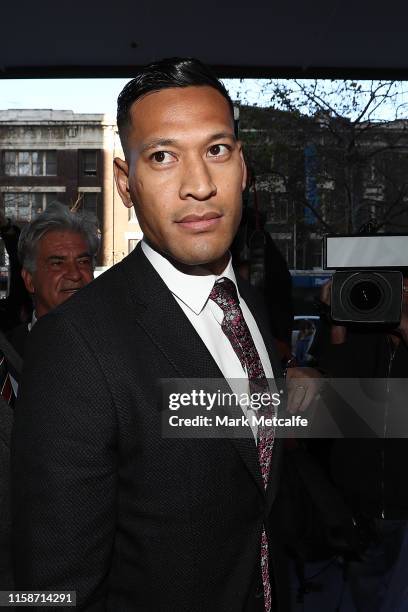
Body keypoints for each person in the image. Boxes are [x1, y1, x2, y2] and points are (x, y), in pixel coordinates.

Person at [11, 57, 302, 611]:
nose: (198, 186)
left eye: (216, 150)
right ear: (126, 182)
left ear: (242, 167)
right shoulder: (73, 346)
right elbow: (49, 585)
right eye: (163, 156)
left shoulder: (249, 309)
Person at [310, 277, 408, 612]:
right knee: (365, 600)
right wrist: (338, 317)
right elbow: (337, 401)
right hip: (361, 511)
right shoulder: (365, 338)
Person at [8, 202, 98, 362]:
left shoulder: (122, 345)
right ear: (29, 280)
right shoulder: (9, 356)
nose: (75, 274)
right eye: (58, 263)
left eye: (83, 261)